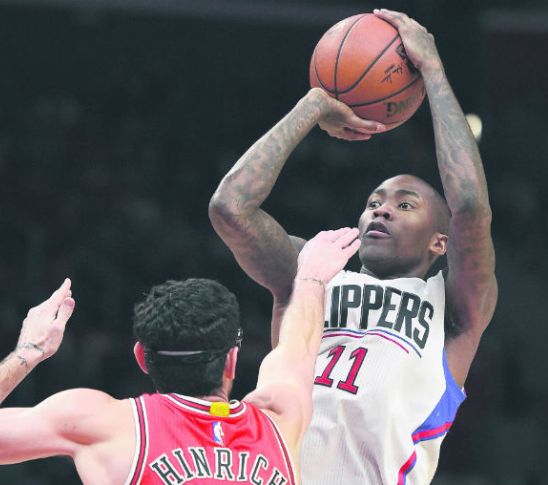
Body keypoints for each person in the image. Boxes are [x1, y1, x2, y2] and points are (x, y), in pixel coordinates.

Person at [208, 8, 498, 485]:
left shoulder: (455, 309)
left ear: (440, 241)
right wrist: (313, 106)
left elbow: (468, 203)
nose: (380, 210)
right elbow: (230, 207)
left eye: (405, 206)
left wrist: (434, 73)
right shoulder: (315, 272)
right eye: (373, 202)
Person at [0, 228, 361, 485]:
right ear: (232, 360)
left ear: (142, 357)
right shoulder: (279, 421)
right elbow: (299, 349)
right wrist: (312, 278)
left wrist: (29, 352)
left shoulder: (102, 422)